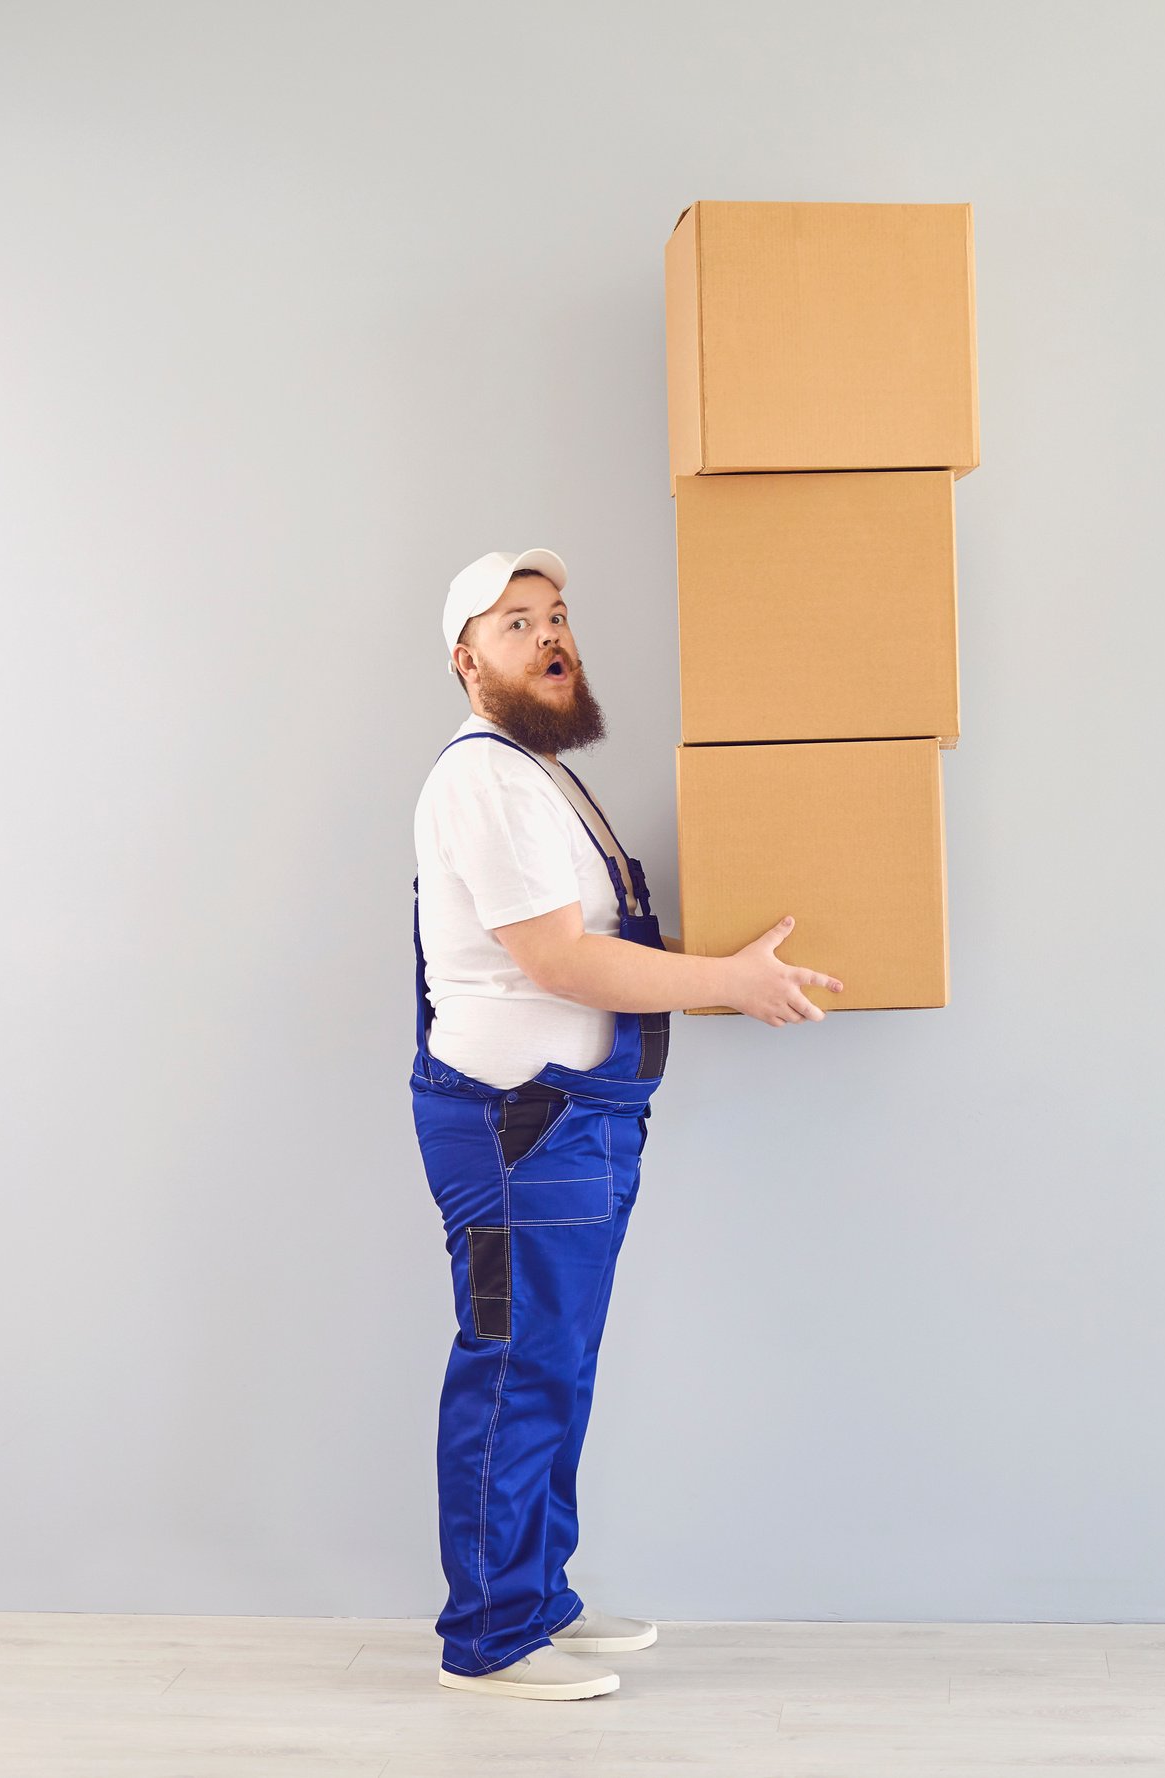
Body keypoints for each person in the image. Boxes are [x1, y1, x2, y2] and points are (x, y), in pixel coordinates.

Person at [410, 549, 840, 1700]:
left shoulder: (531, 770)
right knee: (516, 1368)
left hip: (563, 1124)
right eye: (516, 623)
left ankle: (536, 1595)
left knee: (557, 1362)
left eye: (557, 617)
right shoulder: (488, 780)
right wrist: (728, 982)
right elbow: (554, 957)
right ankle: (492, 1637)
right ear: (466, 657)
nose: (552, 637)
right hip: (526, 1128)